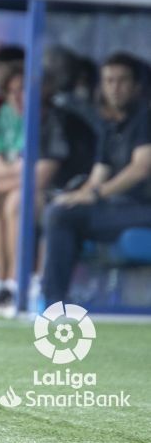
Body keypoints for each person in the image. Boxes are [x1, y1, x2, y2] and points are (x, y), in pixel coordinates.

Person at [42, 52, 151, 305]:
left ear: (136, 86)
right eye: (109, 81)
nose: (115, 88)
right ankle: (53, 294)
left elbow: (141, 168)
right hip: (117, 208)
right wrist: (75, 197)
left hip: (142, 208)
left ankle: (53, 300)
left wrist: (95, 195)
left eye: (122, 81)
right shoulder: (110, 126)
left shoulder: (146, 118)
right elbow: (98, 176)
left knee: (62, 216)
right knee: (60, 210)